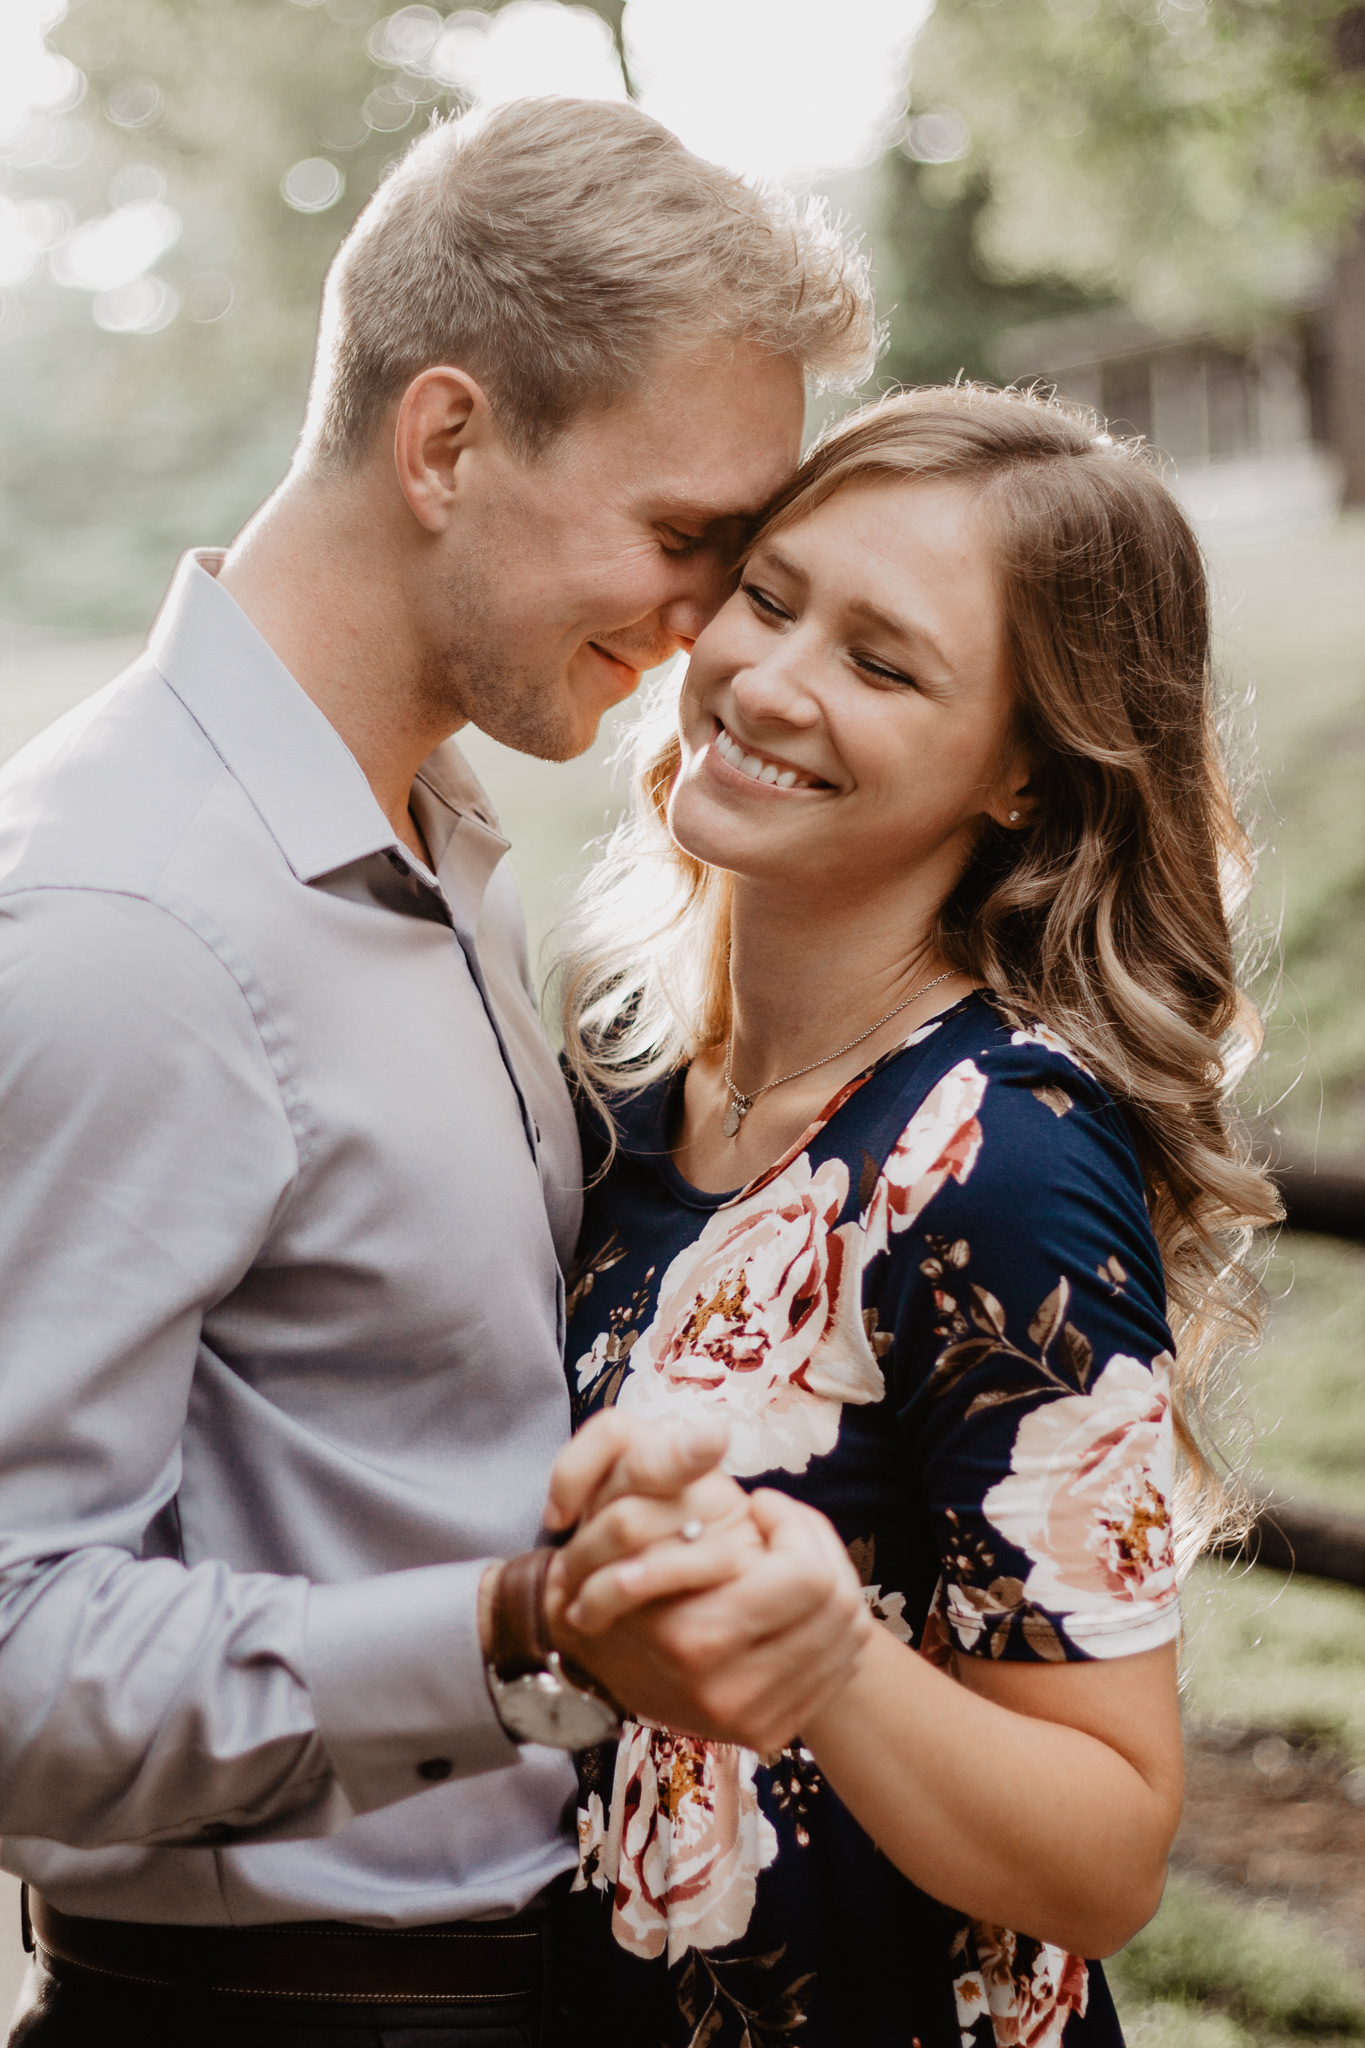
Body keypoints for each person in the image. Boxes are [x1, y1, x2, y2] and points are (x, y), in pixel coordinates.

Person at [0, 98, 878, 2046]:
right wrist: (509, 1631)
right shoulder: (131, 922)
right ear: (449, 441)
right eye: (684, 536)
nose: (708, 624)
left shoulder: (437, 839)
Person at [538, 384, 1281, 2047]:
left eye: (882, 664)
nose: (769, 684)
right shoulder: (625, 1082)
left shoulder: (993, 1160)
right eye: (770, 597)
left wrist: (834, 1668)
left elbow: (1107, 1857)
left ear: (1022, 770)